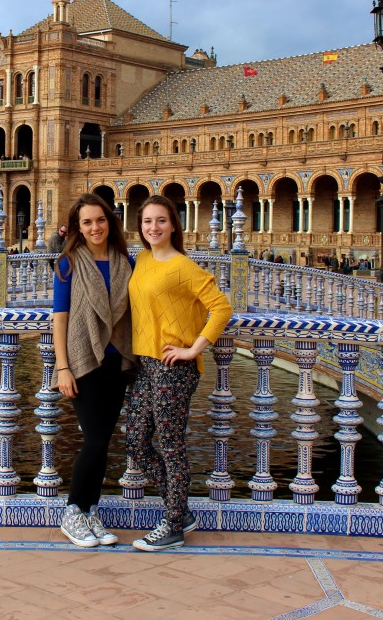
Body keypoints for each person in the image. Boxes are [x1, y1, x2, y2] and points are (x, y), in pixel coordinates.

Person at [126, 195, 233, 552]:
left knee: (171, 446)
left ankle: (173, 524)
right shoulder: (140, 259)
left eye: (160, 221)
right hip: (145, 365)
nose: (153, 228)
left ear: (173, 225)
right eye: (147, 221)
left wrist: (193, 349)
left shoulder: (184, 266)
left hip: (174, 367)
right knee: (137, 442)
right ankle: (180, 509)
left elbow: (221, 307)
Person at [53, 193, 136, 548]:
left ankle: (89, 511)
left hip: (118, 362)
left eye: (99, 220)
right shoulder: (68, 263)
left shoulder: (126, 262)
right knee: (96, 440)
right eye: (86, 222)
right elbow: (60, 318)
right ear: (77, 228)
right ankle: (73, 511)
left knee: (102, 443)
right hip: (84, 360)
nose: (94, 227)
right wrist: (63, 367)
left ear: (110, 222)